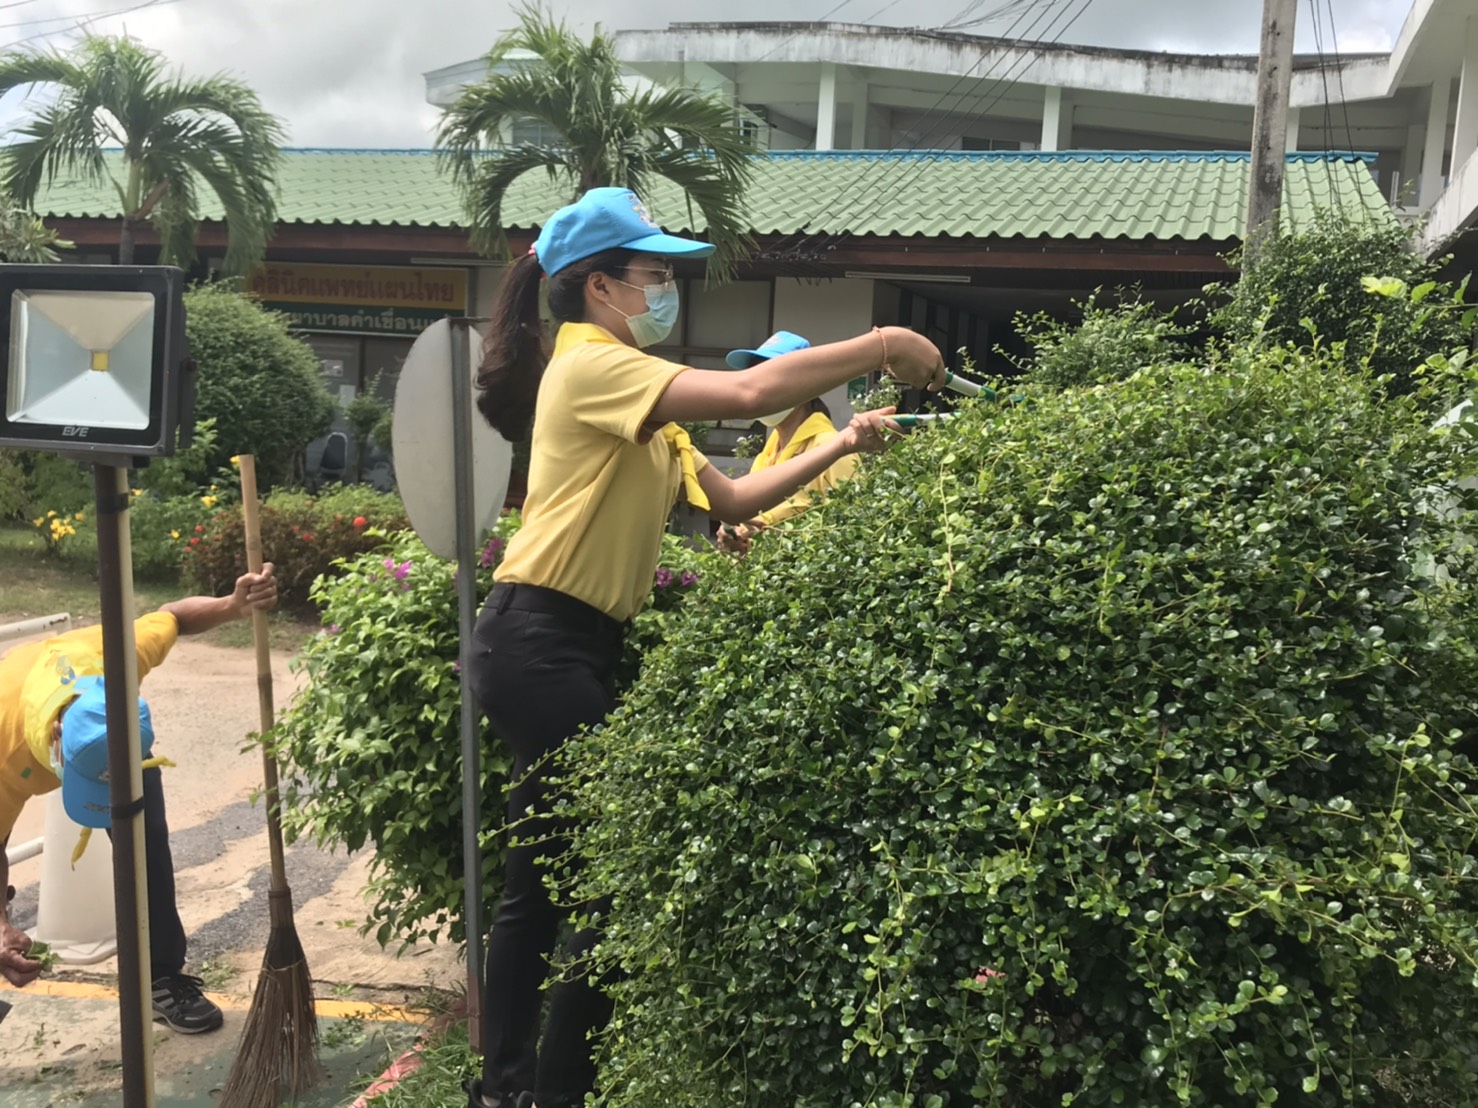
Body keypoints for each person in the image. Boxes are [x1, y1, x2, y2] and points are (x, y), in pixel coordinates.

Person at [464, 186, 946, 1108]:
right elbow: (757, 389)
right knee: (593, 885)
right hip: (541, 640)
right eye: (653, 275)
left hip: (565, 644)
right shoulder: (595, 365)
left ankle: (508, 1087)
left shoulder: (641, 393)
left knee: (548, 881)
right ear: (600, 287)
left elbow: (731, 503)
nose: (663, 290)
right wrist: (883, 343)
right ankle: (541, 1092)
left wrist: (843, 442)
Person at [0, 565, 279, 1034]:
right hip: (16, 730)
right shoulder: (6, 756)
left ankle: (161, 978)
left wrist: (233, 605)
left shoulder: (115, 660)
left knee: (147, 842)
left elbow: (172, 615)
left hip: (123, 746)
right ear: (54, 745)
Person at [716, 329, 861, 556]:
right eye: (755, 377)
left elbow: (855, 533)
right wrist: (737, 535)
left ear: (805, 385)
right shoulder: (770, 450)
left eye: (769, 378)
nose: (758, 388)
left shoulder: (834, 449)